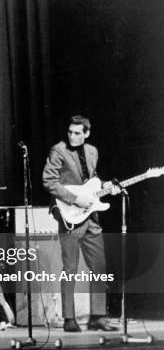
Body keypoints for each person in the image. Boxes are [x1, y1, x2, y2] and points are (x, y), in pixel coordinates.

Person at [42, 115, 119, 332]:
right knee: (70, 268)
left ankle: (97, 317)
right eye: (70, 132)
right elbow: (49, 181)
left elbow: (92, 180)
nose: (73, 136)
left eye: (77, 133)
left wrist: (107, 186)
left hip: (91, 216)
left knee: (99, 266)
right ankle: (69, 319)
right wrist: (75, 199)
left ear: (87, 133)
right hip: (70, 215)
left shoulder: (93, 151)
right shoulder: (58, 150)